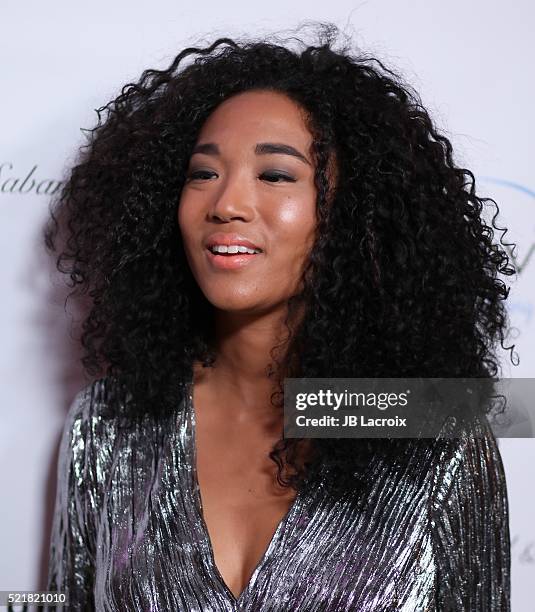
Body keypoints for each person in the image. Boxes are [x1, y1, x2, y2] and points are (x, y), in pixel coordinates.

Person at [44, 23, 513, 611]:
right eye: (202, 173)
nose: (227, 204)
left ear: (354, 211)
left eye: (275, 175)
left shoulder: (436, 432)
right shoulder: (110, 425)